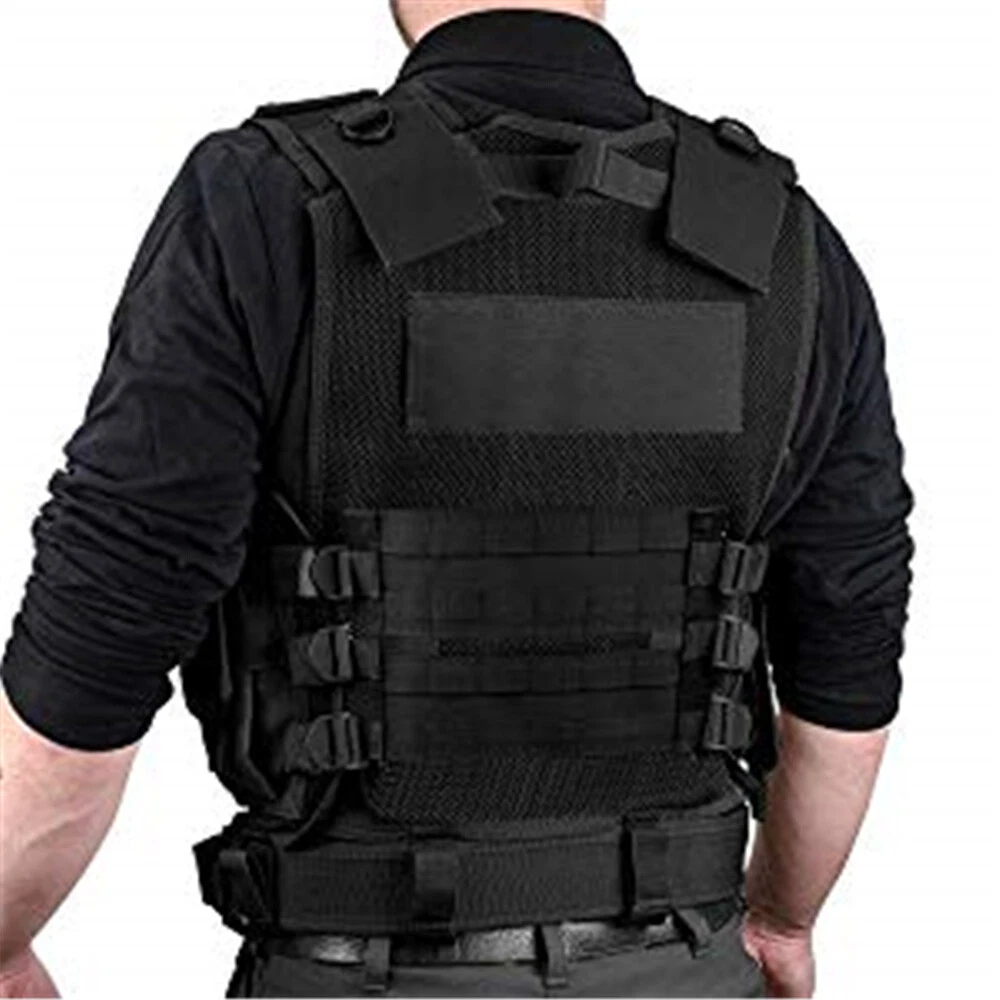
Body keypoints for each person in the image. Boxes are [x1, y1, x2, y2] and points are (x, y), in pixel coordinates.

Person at [0, 1, 912, 997]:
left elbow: (107, 619)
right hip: (686, 966)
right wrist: (782, 918)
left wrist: (3, 933)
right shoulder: (786, 243)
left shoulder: (267, 200)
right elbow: (849, 649)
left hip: (362, 970)